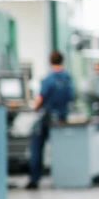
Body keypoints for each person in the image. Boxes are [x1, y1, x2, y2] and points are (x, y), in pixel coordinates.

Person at [26, 51, 74, 189]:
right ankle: (64, 175)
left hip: (48, 118)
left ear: (50, 61)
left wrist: (34, 107)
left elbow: (40, 99)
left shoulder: (49, 79)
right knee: (61, 148)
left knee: (36, 143)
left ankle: (34, 179)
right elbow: (71, 97)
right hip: (62, 118)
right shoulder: (68, 78)